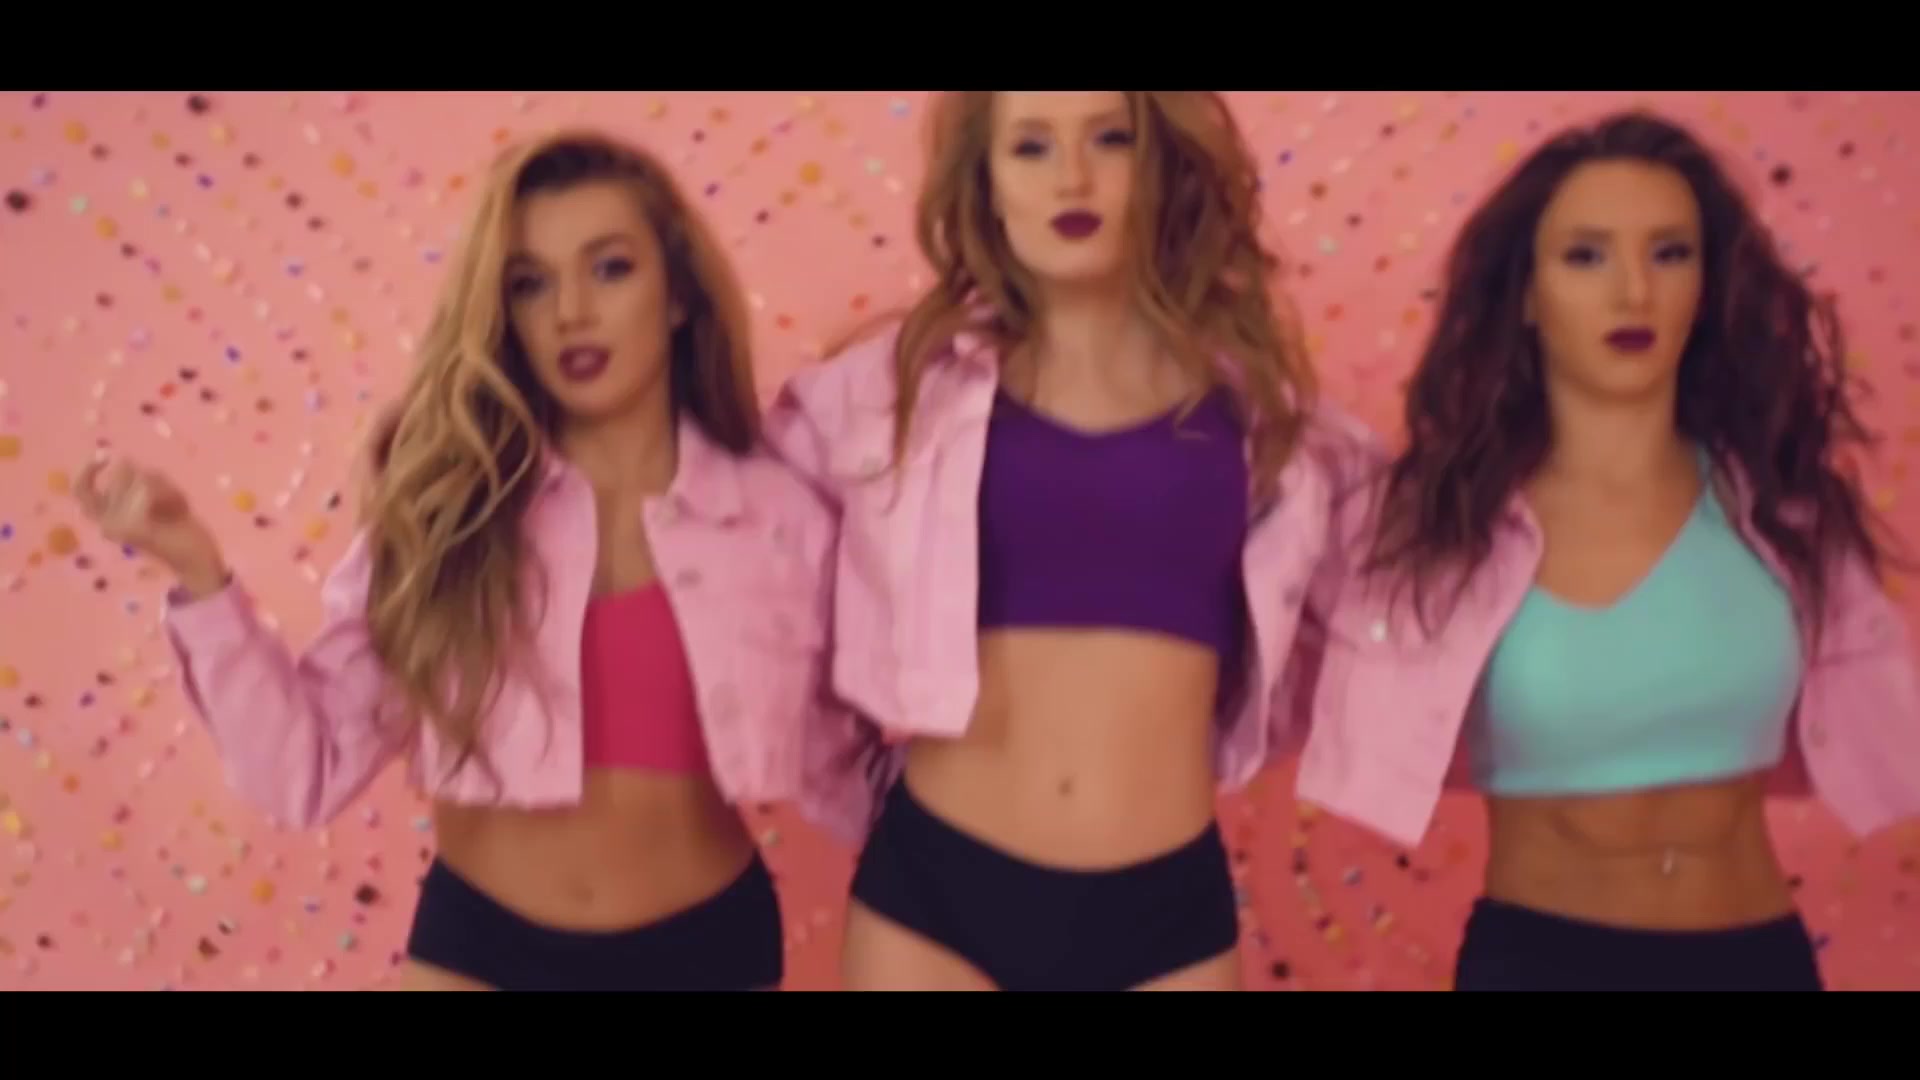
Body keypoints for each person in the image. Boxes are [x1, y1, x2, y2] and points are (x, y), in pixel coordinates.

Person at [71, 130, 850, 992]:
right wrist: (198, 573)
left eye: (610, 268)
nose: (571, 312)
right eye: (530, 283)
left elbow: (844, 762)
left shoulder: (777, 515)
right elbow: (304, 771)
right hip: (482, 947)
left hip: (703, 953)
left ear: (678, 296)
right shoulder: (451, 511)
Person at [764, 90, 1380, 991]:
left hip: (1167, 910)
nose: (1073, 177)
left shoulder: (1270, 419)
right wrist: (845, 776)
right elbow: (755, 579)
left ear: (1160, 166)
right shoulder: (892, 394)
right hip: (937, 897)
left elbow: (1387, 606)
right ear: (986, 183)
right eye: (1032, 147)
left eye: (1109, 138)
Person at [1300, 110, 1920, 991]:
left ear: (1707, 284)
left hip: (1755, 959)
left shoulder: (1787, 511)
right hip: (1543, 962)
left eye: (1670, 253)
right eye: (1586, 256)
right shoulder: (1438, 522)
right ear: (1526, 294)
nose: (1634, 292)